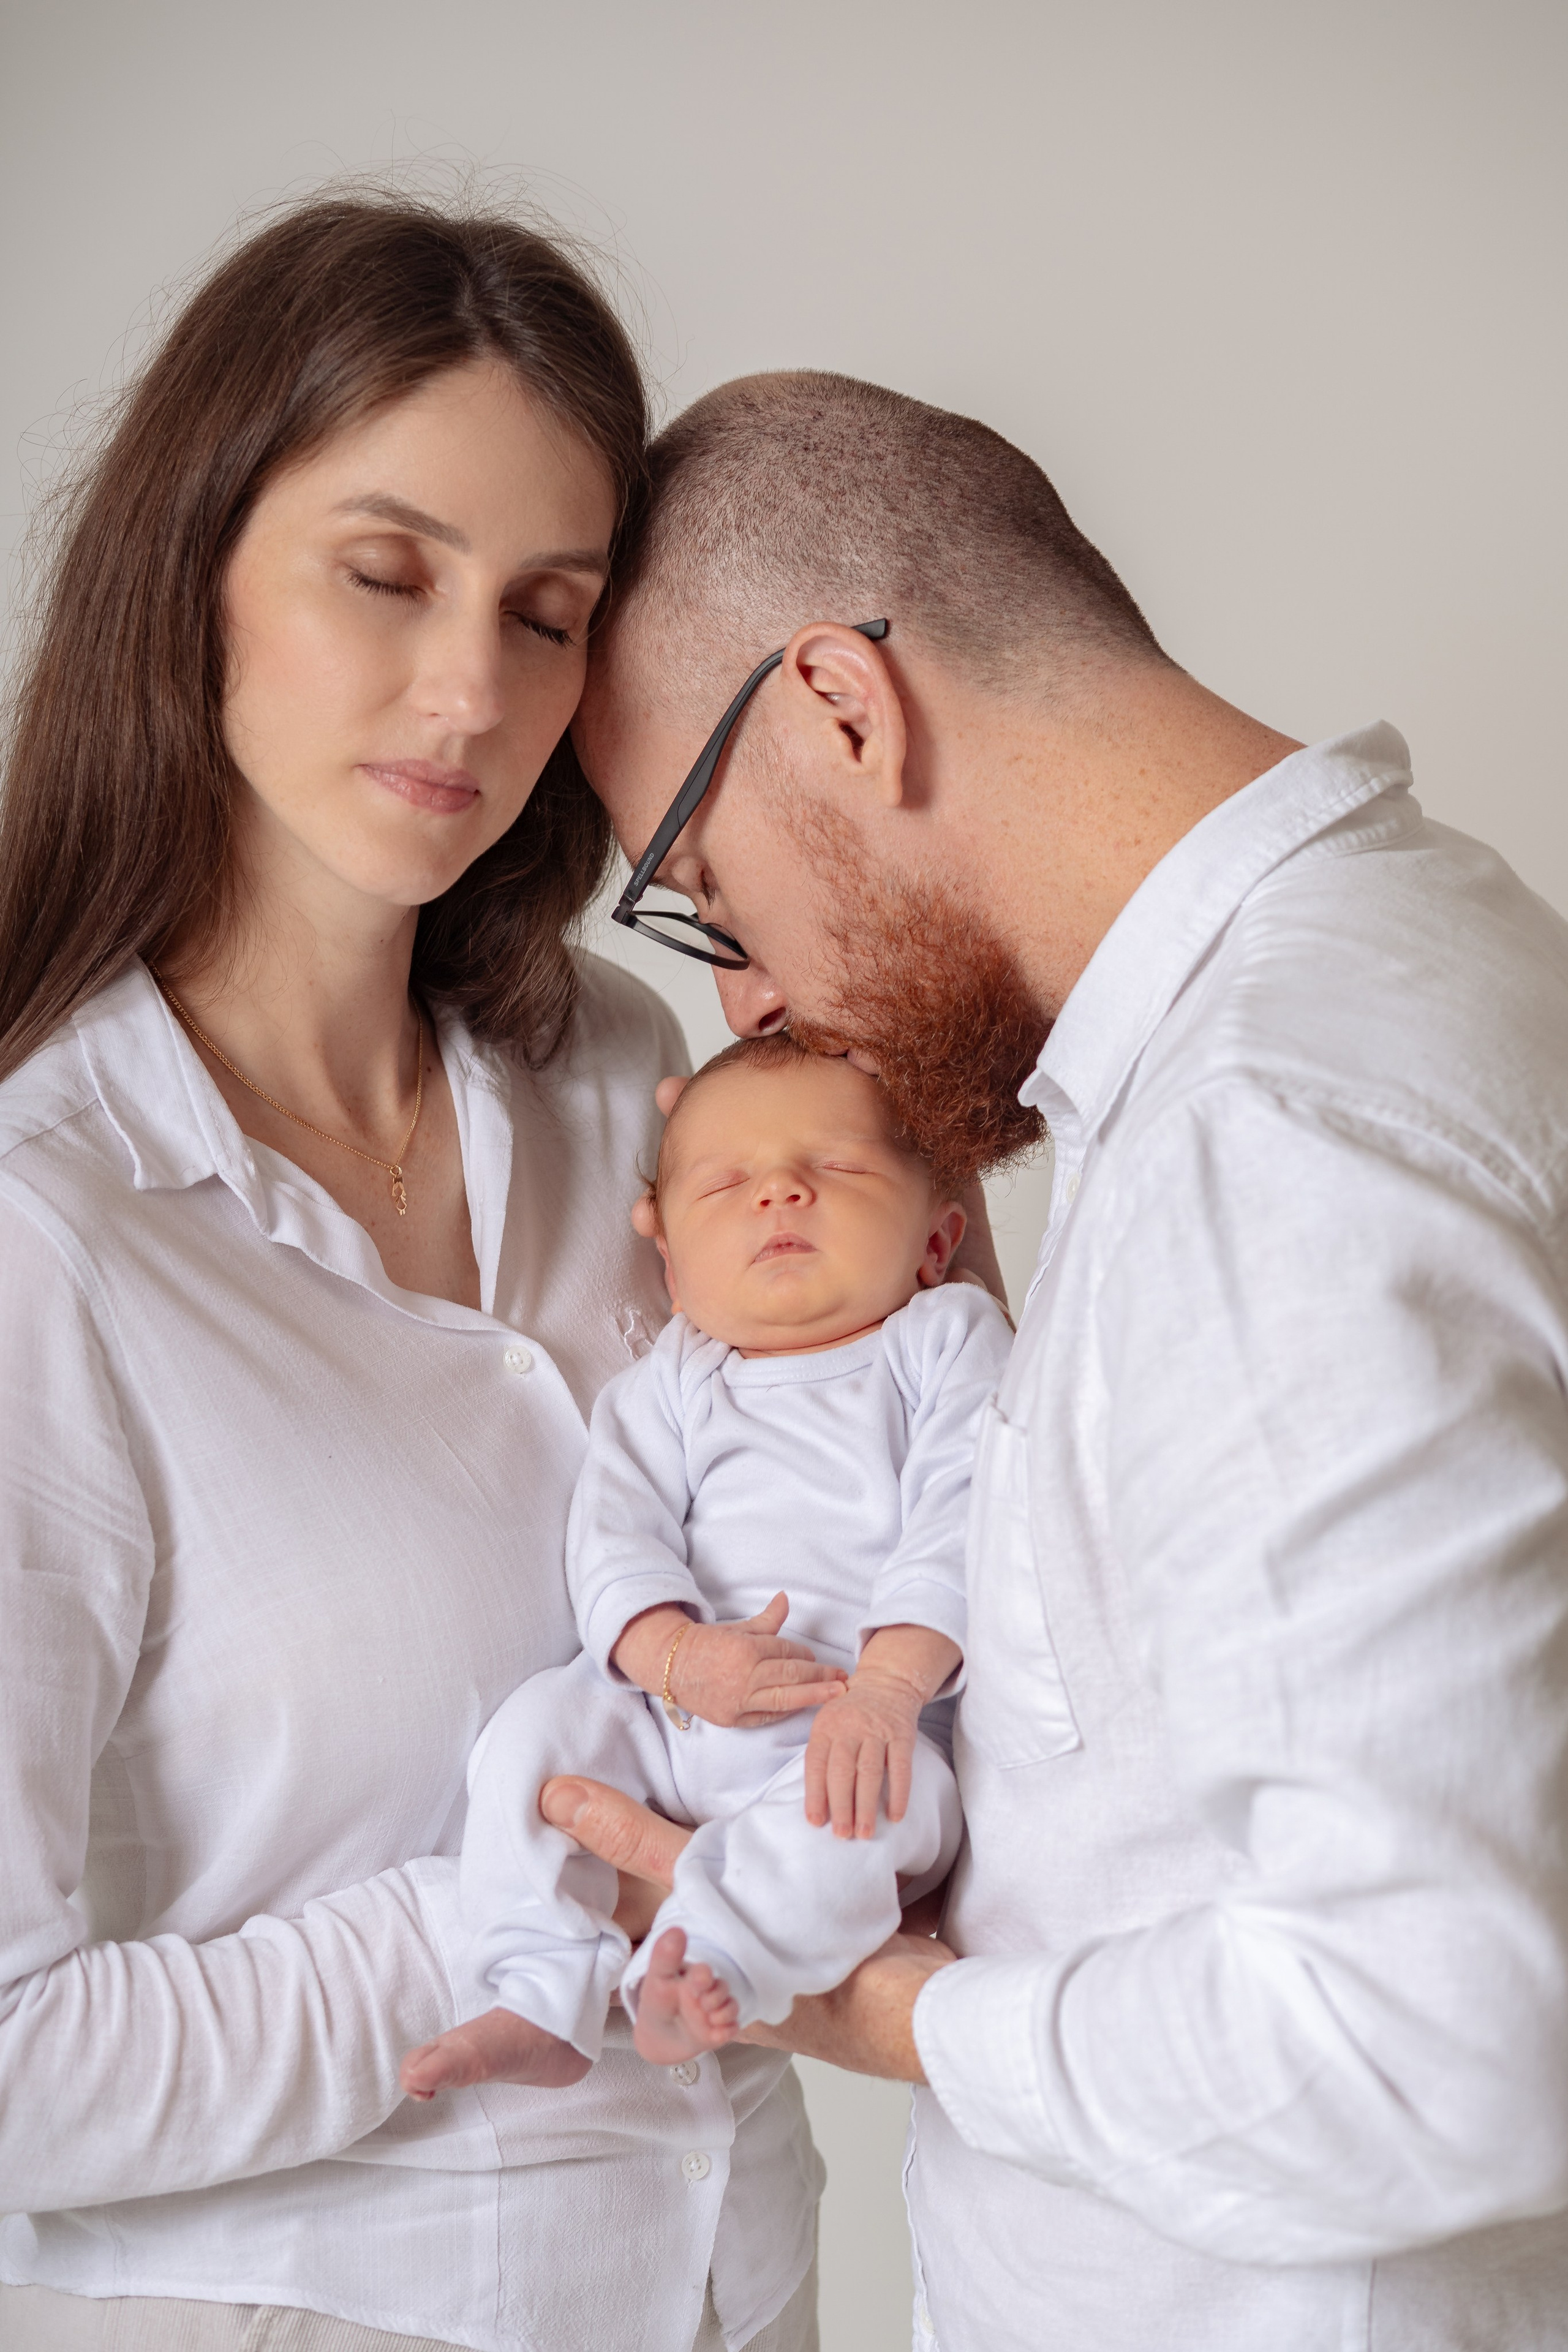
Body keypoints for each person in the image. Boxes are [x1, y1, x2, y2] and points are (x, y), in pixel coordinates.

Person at [561, 369, 1568, 2349]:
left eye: (706, 902)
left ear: (843, 707)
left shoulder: (1264, 1139)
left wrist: (888, 2009)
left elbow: (1440, 2046)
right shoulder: (1427, 952)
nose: (752, 998)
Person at [0, 205, 823, 2352]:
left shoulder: (636, 1088)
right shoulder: (43, 1229)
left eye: (550, 616)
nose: (473, 691)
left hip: (742, 2287)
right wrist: (528, 1889)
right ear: (194, 565)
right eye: (387, 573)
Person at [399, 1036, 1008, 2100]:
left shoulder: (942, 1341)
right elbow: (614, 1538)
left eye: (841, 1168)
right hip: (672, 1716)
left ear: (936, 1240)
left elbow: (966, 1515)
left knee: (871, 1818)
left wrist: (887, 1689)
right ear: (673, 1271)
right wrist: (673, 1657)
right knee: (532, 1733)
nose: (780, 1189)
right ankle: (540, 1982)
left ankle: (717, 1958)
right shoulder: (671, 1383)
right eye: (727, 1183)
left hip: (862, 1728)